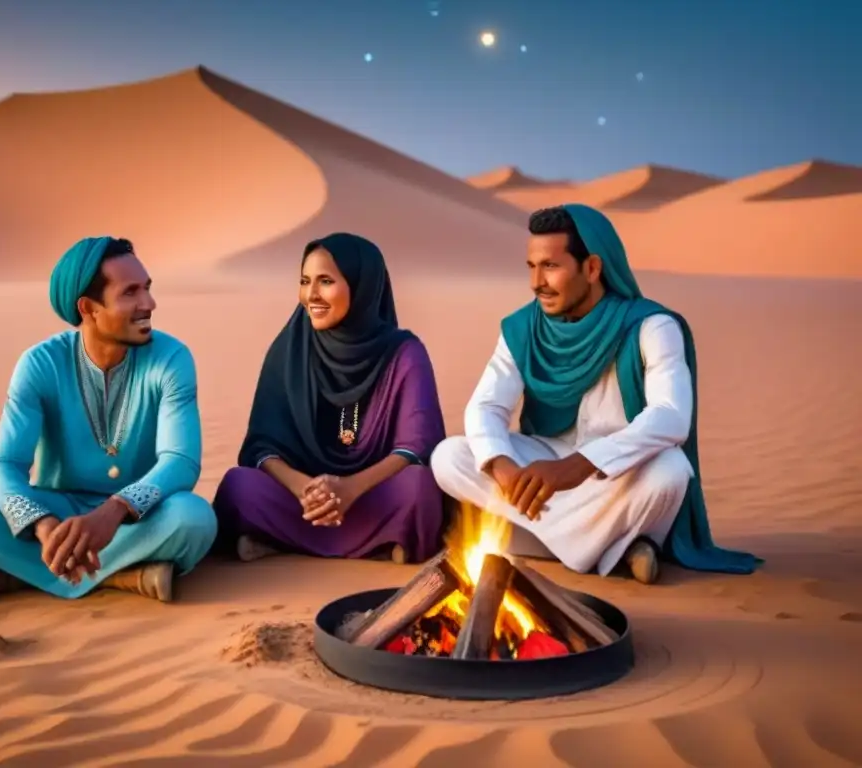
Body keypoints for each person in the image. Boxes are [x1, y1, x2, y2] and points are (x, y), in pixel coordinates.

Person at [430, 205, 761, 584]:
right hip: (544, 464)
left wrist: (578, 466)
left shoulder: (650, 326)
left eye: (551, 266)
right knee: (449, 456)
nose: (536, 282)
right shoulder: (523, 328)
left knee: (670, 472)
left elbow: (671, 415)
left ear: (592, 268)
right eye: (531, 266)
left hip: (615, 470)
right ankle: (616, 547)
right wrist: (505, 469)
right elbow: (487, 407)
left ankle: (543, 541)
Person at [0, 236, 217, 603]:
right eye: (130, 293)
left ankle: (22, 577)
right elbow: (4, 466)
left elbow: (180, 462)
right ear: (89, 308)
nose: (149, 304)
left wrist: (115, 510)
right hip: (59, 514)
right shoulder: (40, 364)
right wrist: (42, 525)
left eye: (147, 289)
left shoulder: (171, 358)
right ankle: (124, 578)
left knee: (193, 519)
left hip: (136, 519)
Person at [212, 233, 447, 564]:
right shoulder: (290, 349)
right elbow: (262, 447)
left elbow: (415, 447)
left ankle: (280, 544)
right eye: (305, 281)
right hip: (304, 503)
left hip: (371, 494)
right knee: (239, 485)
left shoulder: (404, 352)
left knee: (418, 487)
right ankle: (379, 549)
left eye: (325, 281)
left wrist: (350, 489)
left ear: (361, 286)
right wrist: (304, 489)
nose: (311, 295)